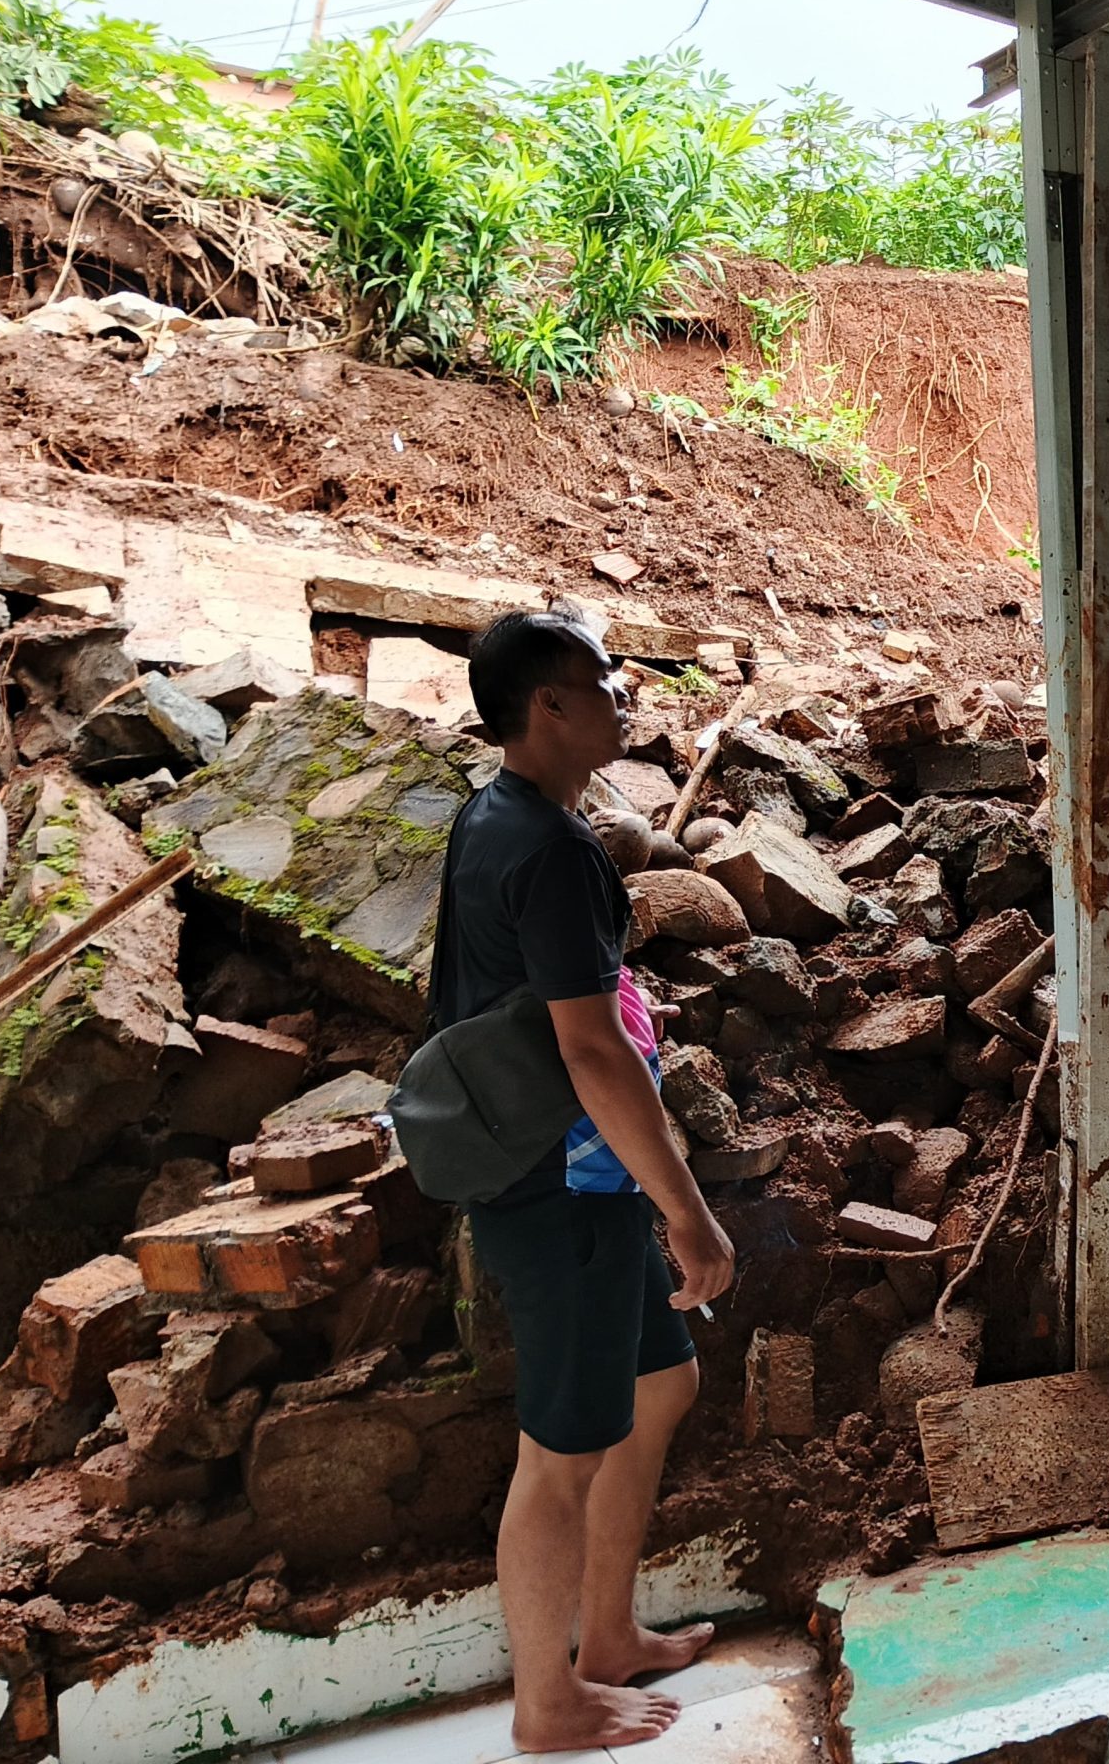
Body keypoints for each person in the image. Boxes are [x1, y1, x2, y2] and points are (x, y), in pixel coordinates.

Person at [444, 612, 736, 1754]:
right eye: (604, 681)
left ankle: (606, 1634)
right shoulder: (550, 851)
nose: (625, 694)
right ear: (549, 708)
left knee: (659, 1391)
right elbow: (593, 1053)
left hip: (572, 1175)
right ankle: (545, 1701)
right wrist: (689, 1210)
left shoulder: (502, 814)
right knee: (556, 1456)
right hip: (555, 1186)